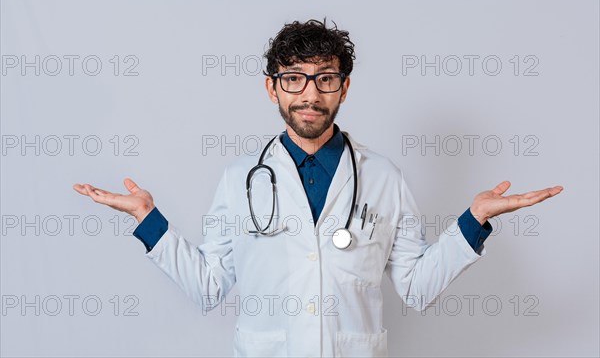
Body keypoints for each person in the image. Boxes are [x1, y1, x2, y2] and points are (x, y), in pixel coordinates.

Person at [73, 19, 563, 357]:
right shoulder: (240, 179)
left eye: (325, 79)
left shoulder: (384, 178)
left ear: (344, 87)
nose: (310, 93)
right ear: (272, 87)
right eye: (294, 79)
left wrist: (473, 222)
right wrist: (147, 220)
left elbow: (416, 287)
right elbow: (207, 286)